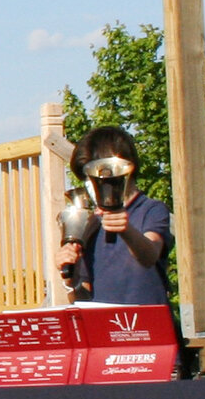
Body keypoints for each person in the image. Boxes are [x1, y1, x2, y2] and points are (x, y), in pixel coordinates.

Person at [72, 126, 172, 306]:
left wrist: (126, 230)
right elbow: (83, 297)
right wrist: (70, 278)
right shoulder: (91, 224)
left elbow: (150, 255)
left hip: (149, 326)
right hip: (106, 328)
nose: (91, 183)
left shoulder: (151, 210)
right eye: (86, 178)